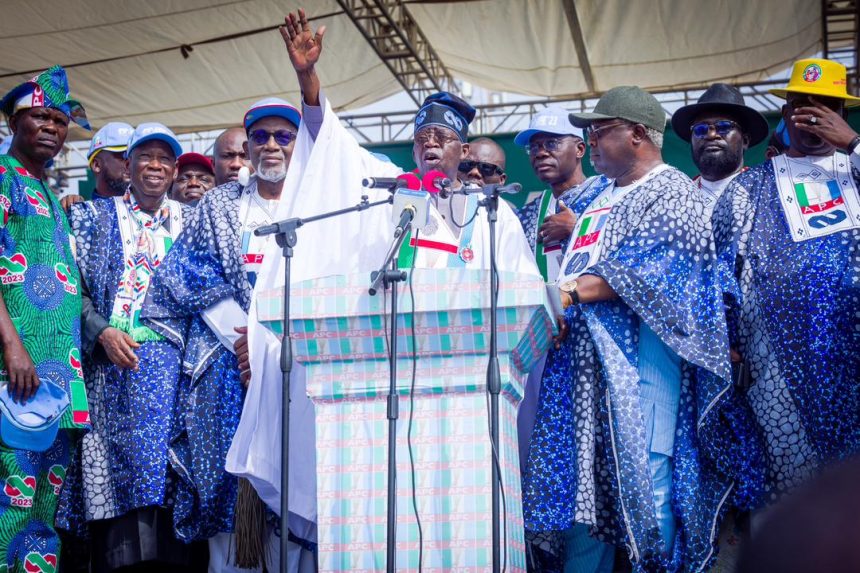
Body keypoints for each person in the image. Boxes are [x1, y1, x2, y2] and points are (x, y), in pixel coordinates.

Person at [225, 8, 537, 570]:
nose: (431, 146)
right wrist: (309, 84)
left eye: (444, 138)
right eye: (422, 139)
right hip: (395, 389)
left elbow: (523, 303)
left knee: (461, 519)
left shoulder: (495, 217)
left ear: (464, 151)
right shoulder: (388, 202)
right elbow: (335, 151)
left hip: (469, 400)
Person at [523, 86, 759, 572]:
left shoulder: (671, 191)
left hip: (641, 363)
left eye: (599, 130)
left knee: (646, 479)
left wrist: (567, 295)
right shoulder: (599, 196)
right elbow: (580, 258)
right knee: (585, 487)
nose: (590, 139)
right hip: (583, 369)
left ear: (636, 135)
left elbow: (652, 270)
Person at [142, 98, 304, 572]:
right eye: (260, 137)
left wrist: (270, 345)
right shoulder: (219, 203)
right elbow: (184, 276)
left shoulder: (318, 203)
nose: (271, 145)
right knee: (226, 490)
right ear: (248, 146)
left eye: (283, 137)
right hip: (228, 366)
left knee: (294, 487)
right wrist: (245, 341)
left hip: (298, 364)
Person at [713, 58, 860, 514]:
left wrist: (853, 144)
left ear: (843, 112)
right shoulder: (750, 186)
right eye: (801, 104)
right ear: (785, 111)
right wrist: (727, 339)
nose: (812, 114)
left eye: (825, 105)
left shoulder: (855, 169)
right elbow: (719, 270)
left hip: (853, 353)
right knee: (791, 491)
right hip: (775, 363)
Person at [61, 123, 199, 572]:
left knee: (169, 483)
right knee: (114, 494)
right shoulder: (89, 218)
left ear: (175, 169)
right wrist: (101, 330)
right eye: (145, 157)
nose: (154, 166)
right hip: (111, 370)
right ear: (129, 164)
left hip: (174, 373)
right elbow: (69, 289)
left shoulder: (193, 222)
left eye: (164, 159)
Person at [0, 64, 91, 573]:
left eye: (60, 120)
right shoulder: (3, 177)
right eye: (41, 117)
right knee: (10, 499)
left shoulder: (52, 196)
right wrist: (13, 345)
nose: (53, 128)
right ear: (14, 123)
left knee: (43, 509)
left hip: (58, 381)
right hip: (15, 374)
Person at [513, 106, 586, 283]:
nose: (540, 153)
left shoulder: (608, 194)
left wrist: (578, 229)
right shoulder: (528, 214)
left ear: (580, 149)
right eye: (534, 147)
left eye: (551, 143)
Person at [671, 83, 769, 206]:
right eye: (700, 129)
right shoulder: (677, 199)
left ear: (745, 140)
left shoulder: (765, 191)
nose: (711, 135)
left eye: (724, 127)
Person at [86, 122, 134, 200]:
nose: (131, 163)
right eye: (124, 155)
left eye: (136, 157)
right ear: (96, 165)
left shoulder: (157, 209)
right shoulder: (78, 210)